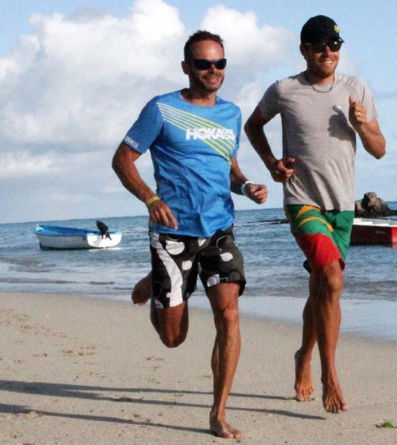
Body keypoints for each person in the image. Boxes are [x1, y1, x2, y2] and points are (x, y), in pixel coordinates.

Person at [111, 30, 267, 439]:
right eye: (203, 64)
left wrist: (247, 185)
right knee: (173, 338)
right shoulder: (162, 109)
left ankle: (218, 413)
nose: (213, 71)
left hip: (219, 231)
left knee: (228, 315)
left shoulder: (231, 114)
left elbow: (229, 166)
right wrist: (149, 198)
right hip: (172, 234)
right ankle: (158, 284)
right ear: (187, 67)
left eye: (220, 63)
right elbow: (123, 159)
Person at [244, 15, 386, 414]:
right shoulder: (285, 90)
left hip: (342, 208)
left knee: (321, 290)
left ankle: (302, 358)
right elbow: (253, 126)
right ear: (304, 50)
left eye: (335, 44)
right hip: (302, 201)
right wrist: (273, 163)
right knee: (333, 280)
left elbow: (379, 149)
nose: (329, 52)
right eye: (320, 45)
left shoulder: (356, 89)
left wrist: (362, 126)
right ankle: (330, 376)